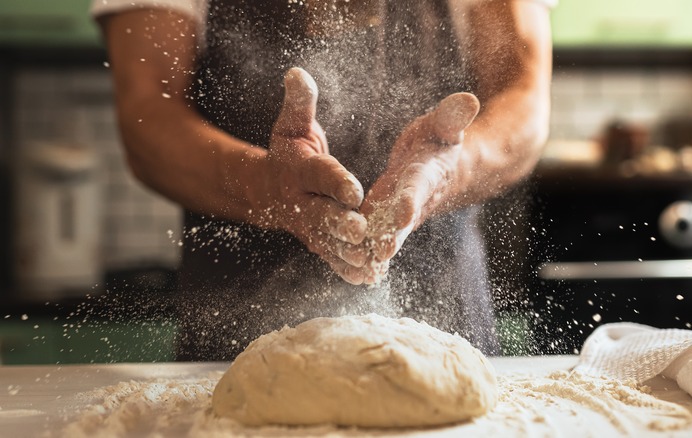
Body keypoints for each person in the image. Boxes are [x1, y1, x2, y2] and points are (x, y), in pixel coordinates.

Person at [91, 0, 553, 360]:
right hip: (235, 329)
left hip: (445, 315)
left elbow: (523, 102)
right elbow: (147, 116)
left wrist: (448, 169)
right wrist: (266, 187)